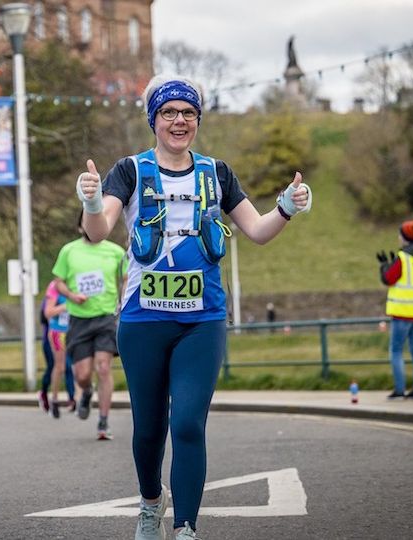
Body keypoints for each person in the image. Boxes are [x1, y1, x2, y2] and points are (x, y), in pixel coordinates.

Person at [75, 74, 312, 539]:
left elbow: (257, 230)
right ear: (153, 120)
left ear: (198, 120)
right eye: (168, 112)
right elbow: (97, 232)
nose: (179, 121)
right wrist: (91, 201)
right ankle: (150, 505)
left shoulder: (216, 173)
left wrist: (286, 206)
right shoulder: (130, 170)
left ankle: (185, 527)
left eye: (188, 113)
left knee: (186, 423)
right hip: (143, 320)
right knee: (148, 430)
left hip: (202, 321)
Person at [51, 212, 127, 439]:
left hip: (106, 317)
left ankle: (103, 422)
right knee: (82, 375)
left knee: (103, 367)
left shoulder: (115, 251)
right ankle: (86, 391)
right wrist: (71, 296)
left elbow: (126, 278)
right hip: (79, 319)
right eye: (86, 222)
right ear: (80, 227)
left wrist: (123, 300)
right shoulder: (69, 251)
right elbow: (58, 282)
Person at [378, 217, 413, 400]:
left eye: (400, 235)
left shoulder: (403, 258)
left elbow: (388, 279)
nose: (398, 237)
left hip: (402, 311)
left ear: (405, 237)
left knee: (396, 351)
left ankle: (399, 390)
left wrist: (384, 266)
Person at [38, 279, 75, 417]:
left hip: (73, 331)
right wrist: (66, 306)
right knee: (59, 367)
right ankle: (52, 398)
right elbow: (47, 313)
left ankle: (75, 399)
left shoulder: (76, 280)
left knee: (75, 366)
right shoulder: (54, 286)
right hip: (57, 333)